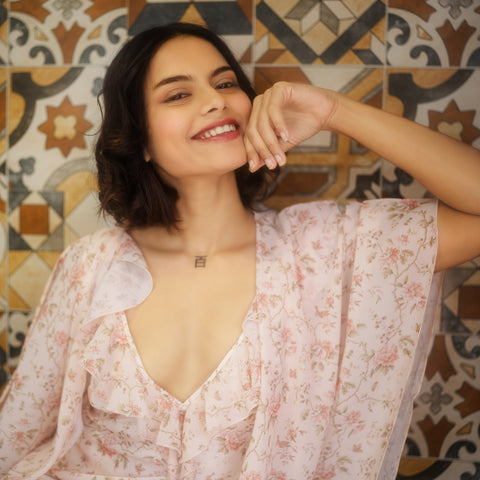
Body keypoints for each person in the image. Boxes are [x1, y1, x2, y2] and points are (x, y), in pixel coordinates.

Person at [1, 22, 479, 480]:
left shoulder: (324, 250)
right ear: (139, 139)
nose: (216, 101)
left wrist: (334, 111)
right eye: (178, 94)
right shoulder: (91, 266)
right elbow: (18, 428)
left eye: (226, 84)